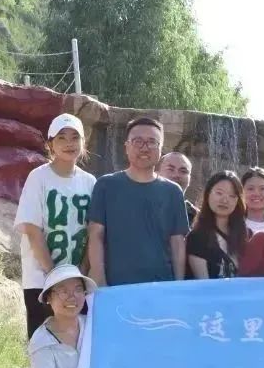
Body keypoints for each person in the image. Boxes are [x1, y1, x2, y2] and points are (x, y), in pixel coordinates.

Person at [13, 113, 96, 339]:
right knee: (44, 340)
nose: (69, 143)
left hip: (77, 281)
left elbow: (92, 232)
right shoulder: (38, 178)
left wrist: (82, 273)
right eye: (61, 137)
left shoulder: (90, 182)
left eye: (75, 137)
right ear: (50, 144)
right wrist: (54, 276)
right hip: (41, 280)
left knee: (79, 342)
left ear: (83, 142)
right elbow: (32, 229)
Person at [86, 117, 189, 286]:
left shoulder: (173, 192)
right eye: (137, 141)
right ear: (126, 147)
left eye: (152, 142)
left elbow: (177, 243)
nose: (144, 148)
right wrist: (100, 279)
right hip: (115, 286)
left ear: (161, 149)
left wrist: (178, 285)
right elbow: (96, 235)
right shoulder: (106, 185)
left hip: (161, 285)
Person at [186, 171, 248, 280]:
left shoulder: (245, 234)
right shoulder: (197, 238)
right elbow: (203, 282)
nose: (225, 200)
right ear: (208, 194)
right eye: (219, 193)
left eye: (232, 196)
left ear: (238, 201)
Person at [158, 151, 198, 226]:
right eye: (170, 169)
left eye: (183, 171)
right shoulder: (140, 209)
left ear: (190, 179)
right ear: (157, 174)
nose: (176, 175)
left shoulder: (199, 220)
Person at [242, 167, 264, 234]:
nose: (256, 193)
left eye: (262, 188)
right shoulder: (230, 226)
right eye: (250, 189)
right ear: (242, 191)